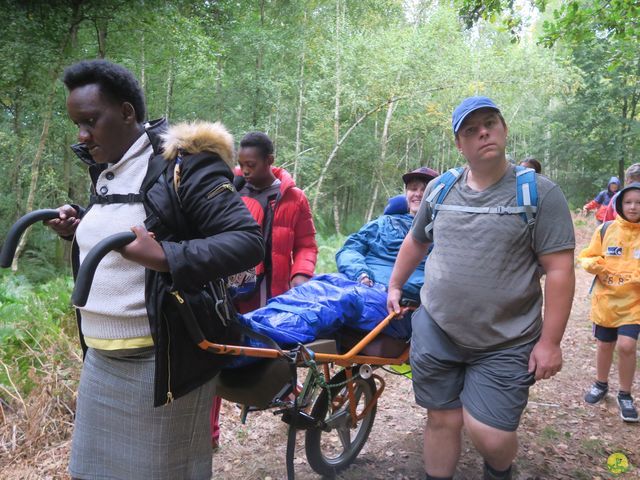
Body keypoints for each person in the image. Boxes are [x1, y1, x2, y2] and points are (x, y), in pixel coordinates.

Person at [45, 59, 264, 480]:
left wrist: (166, 256)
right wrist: (80, 226)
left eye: (90, 121)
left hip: (164, 358)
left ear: (127, 113)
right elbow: (126, 228)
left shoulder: (186, 165)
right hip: (102, 359)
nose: (82, 135)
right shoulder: (109, 165)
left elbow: (246, 241)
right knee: (92, 471)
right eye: (77, 124)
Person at [387, 96, 575, 480]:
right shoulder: (441, 189)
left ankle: (499, 470)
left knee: (488, 433)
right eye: (470, 130)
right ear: (460, 144)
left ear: (504, 129)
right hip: (437, 328)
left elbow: (559, 270)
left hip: (507, 339)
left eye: (489, 123)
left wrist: (550, 342)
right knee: (441, 419)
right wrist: (394, 284)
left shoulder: (539, 193)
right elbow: (416, 241)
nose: (482, 133)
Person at [210, 131, 318, 448]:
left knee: (280, 352)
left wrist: (302, 274)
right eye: (241, 164)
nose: (245, 171)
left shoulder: (293, 198)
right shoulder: (230, 191)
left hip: (275, 291)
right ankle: (210, 434)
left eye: (252, 165)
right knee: (220, 353)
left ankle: (294, 400)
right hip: (233, 292)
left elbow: (307, 244)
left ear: (270, 161)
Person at [578, 182, 640, 423]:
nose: (634, 207)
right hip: (606, 300)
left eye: (638, 202)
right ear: (620, 205)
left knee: (626, 346)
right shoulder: (605, 229)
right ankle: (600, 384)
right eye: (628, 202)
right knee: (605, 345)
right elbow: (588, 256)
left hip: (634, 303)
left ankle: (625, 395)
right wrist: (595, 265)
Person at [336, 166, 438, 300]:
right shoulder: (382, 223)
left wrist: (395, 288)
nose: (418, 194)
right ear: (406, 194)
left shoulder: (440, 231)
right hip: (356, 283)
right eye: (413, 189)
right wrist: (360, 273)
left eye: (425, 190)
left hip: (390, 295)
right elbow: (349, 250)